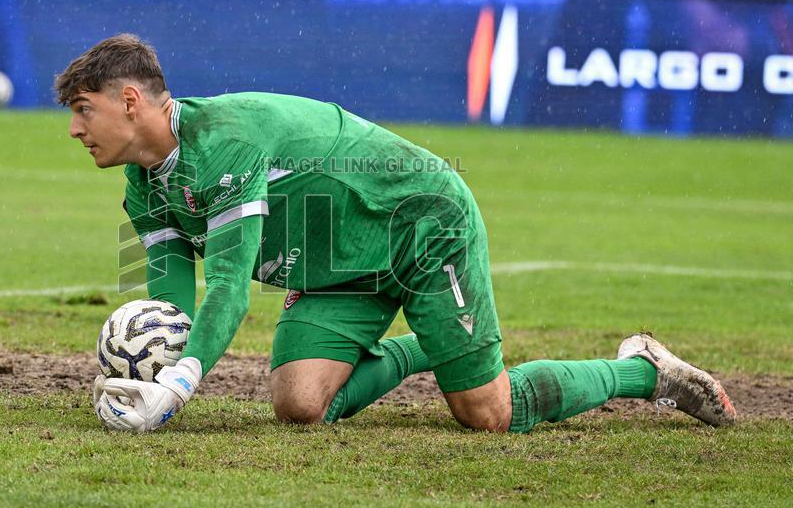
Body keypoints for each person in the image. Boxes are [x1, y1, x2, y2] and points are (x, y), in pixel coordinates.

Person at [56, 34, 737, 434]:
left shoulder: (225, 142)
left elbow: (230, 286)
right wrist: (143, 370)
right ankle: (428, 348)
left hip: (421, 226)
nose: (74, 129)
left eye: (84, 110)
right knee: (300, 407)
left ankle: (644, 371)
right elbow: (172, 301)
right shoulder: (143, 183)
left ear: (130, 101)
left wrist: (175, 389)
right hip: (341, 267)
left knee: (487, 414)